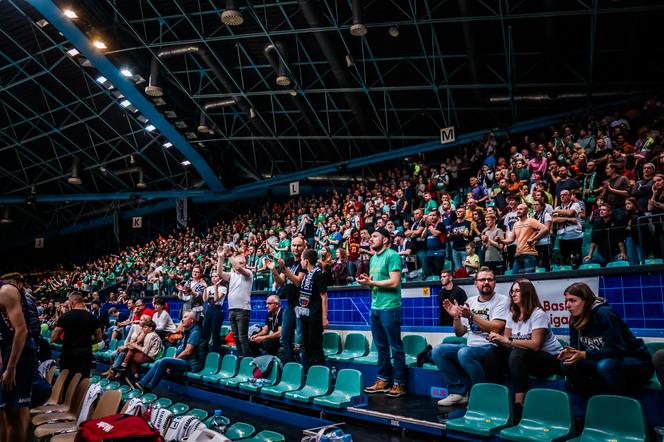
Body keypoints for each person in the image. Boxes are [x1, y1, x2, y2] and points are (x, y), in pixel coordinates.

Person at [484, 279, 562, 416]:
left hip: (550, 359)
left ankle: (519, 405)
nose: (513, 294)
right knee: (494, 353)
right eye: (512, 291)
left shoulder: (538, 314)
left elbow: (536, 345)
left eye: (517, 291)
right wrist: (496, 339)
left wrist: (506, 340)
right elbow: (507, 343)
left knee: (517, 355)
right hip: (526, 358)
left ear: (527, 293)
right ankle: (495, 398)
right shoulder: (511, 315)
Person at [559, 282, 654, 395]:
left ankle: (624, 401)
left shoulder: (604, 314)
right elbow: (576, 348)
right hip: (604, 360)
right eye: (566, 301)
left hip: (634, 360)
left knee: (605, 365)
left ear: (586, 301)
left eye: (573, 300)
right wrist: (570, 352)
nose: (568, 305)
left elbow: (617, 351)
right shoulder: (575, 318)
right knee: (567, 363)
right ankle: (593, 398)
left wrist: (584, 354)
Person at [433, 267, 509, 406]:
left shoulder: (502, 300)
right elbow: (460, 332)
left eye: (489, 279)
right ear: (475, 284)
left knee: (464, 353)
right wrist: (456, 317)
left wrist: (471, 316)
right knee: (438, 350)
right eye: (482, 280)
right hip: (470, 346)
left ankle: (481, 395)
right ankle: (458, 393)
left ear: (494, 283)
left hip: (492, 347)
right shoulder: (471, 301)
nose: (486, 282)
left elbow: (497, 327)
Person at [358, 227, 407, 398]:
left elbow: (394, 282)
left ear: (385, 239)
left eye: (374, 236)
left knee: (395, 346)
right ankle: (383, 380)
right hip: (376, 307)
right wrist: (366, 282)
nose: (370, 239)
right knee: (381, 347)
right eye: (370, 236)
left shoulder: (392, 255)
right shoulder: (373, 259)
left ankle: (400, 383)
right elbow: (375, 284)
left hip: (390, 306)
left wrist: (372, 282)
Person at [0, 279, 35, 442]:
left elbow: (21, 330)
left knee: (16, 411)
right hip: (8, 349)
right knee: (6, 411)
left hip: (21, 352)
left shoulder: (6, 291)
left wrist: (11, 367)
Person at [137, 311, 202, 392]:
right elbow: (180, 348)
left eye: (185, 317)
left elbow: (187, 351)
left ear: (192, 320)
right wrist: (173, 361)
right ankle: (142, 383)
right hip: (184, 361)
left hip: (191, 364)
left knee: (164, 360)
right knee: (159, 361)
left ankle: (150, 386)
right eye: (183, 317)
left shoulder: (195, 332)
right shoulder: (187, 331)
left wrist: (174, 360)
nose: (182, 319)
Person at [267, 236, 307, 363]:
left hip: (301, 306)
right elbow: (280, 282)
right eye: (294, 245)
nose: (296, 247)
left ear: (304, 247)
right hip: (290, 305)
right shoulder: (289, 261)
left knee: (302, 340)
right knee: (284, 339)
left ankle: (304, 370)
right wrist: (273, 269)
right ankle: (290, 366)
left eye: (298, 245)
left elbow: (297, 282)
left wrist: (284, 268)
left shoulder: (305, 262)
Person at [51, 291, 102, 379]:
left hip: (68, 355)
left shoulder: (65, 316)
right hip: (85, 355)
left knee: (66, 383)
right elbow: (99, 338)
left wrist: (63, 342)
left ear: (72, 302)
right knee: (82, 384)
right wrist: (89, 342)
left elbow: (54, 337)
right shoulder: (92, 317)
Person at [295, 250, 328, 368]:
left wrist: (324, 318)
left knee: (316, 347)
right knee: (307, 347)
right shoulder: (306, 274)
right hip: (305, 316)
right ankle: (310, 374)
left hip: (315, 316)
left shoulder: (318, 274)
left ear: (306, 261)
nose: (301, 262)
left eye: (302, 259)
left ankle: (321, 374)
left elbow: (324, 296)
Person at [218, 249, 253, 357]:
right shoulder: (231, 275)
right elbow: (219, 273)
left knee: (242, 337)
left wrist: (228, 255)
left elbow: (238, 268)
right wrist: (221, 258)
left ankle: (247, 359)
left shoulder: (249, 273)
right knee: (236, 337)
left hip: (243, 309)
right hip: (232, 309)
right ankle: (241, 356)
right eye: (238, 263)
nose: (240, 265)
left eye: (242, 263)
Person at [499, 204, 549, 274]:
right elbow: (510, 240)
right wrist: (500, 241)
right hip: (518, 254)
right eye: (517, 209)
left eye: (521, 209)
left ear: (526, 211)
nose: (518, 211)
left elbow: (545, 229)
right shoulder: (515, 224)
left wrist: (533, 239)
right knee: (514, 278)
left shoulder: (531, 221)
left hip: (529, 254)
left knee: (529, 278)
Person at [117, 320, 162, 387]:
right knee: (131, 354)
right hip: (148, 356)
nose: (143, 329)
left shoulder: (150, 335)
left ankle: (124, 366)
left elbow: (145, 351)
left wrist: (134, 345)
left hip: (149, 357)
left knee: (130, 351)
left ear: (151, 328)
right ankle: (135, 375)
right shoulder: (151, 334)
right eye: (143, 327)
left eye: (145, 327)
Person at [552, 190, 584, 268]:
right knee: (565, 259)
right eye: (561, 195)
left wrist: (557, 212)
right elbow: (554, 220)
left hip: (575, 236)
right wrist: (568, 219)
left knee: (577, 258)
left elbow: (570, 213)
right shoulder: (558, 207)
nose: (562, 196)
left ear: (570, 196)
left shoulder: (575, 204)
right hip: (562, 237)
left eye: (565, 194)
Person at [201, 272, 228, 354]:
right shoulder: (209, 288)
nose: (213, 278)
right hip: (209, 310)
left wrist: (216, 287)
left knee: (215, 333)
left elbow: (216, 299)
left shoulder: (223, 288)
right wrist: (205, 288)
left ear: (220, 278)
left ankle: (216, 354)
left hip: (217, 310)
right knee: (205, 333)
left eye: (216, 276)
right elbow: (205, 300)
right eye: (212, 276)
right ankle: (204, 353)